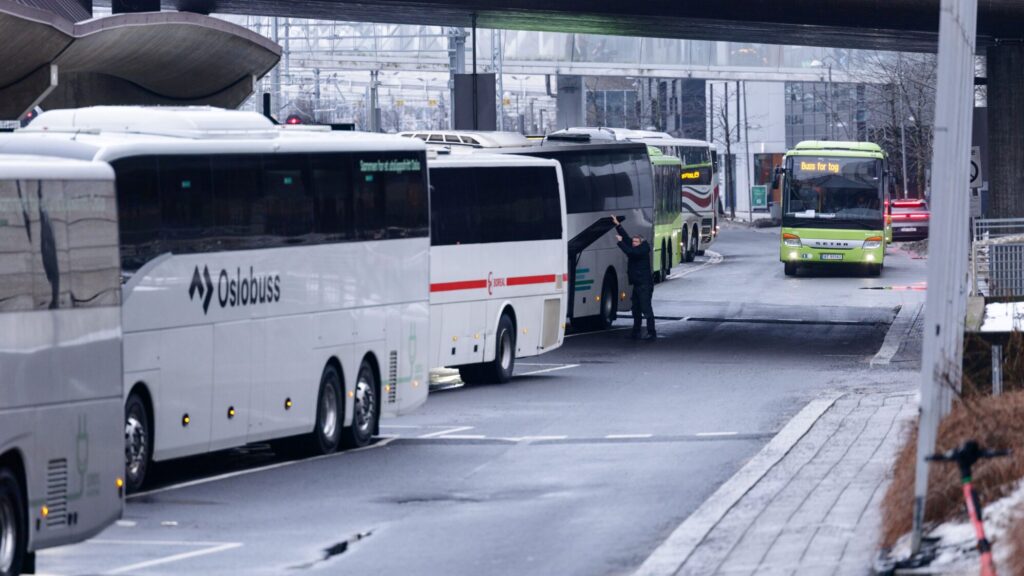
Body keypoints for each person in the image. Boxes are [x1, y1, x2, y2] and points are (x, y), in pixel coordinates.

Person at [611, 215, 655, 340]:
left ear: (641, 243)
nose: (633, 244)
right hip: (637, 284)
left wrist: (620, 242)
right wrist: (617, 225)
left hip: (645, 285)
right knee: (636, 309)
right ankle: (636, 332)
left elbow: (630, 252)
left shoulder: (642, 250)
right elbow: (626, 238)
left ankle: (652, 332)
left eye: (636, 242)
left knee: (646, 309)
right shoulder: (638, 246)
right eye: (633, 242)